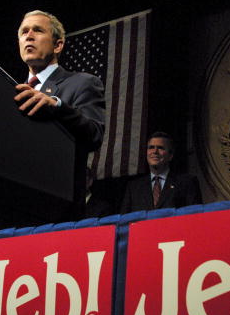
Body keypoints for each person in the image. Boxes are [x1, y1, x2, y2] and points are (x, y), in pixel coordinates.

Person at [14, 10, 105, 219]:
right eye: (24, 32)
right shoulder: (11, 91)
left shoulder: (82, 82)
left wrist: (57, 105)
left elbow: (94, 134)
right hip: (12, 203)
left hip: (55, 208)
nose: (29, 36)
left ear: (58, 45)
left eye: (37, 30)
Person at [121, 132, 202, 213]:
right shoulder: (133, 188)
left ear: (170, 156)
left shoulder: (187, 183)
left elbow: (195, 216)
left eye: (160, 148)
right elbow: (124, 221)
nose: (155, 151)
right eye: (151, 147)